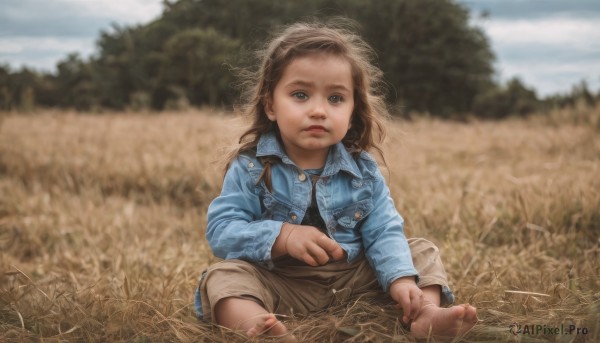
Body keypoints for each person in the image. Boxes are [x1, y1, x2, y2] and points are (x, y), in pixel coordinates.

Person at [195, 20, 477, 341]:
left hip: (353, 281)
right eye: (300, 95)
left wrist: (400, 280)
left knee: (419, 252)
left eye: (335, 99)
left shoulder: (363, 169)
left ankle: (424, 314)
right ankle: (260, 327)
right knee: (223, 277)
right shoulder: (251, 166)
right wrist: (282, 236)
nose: (318, 110)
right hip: (282, 284)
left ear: (354, 110)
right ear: (271, 105)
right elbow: (222, 232)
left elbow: (382, 231)